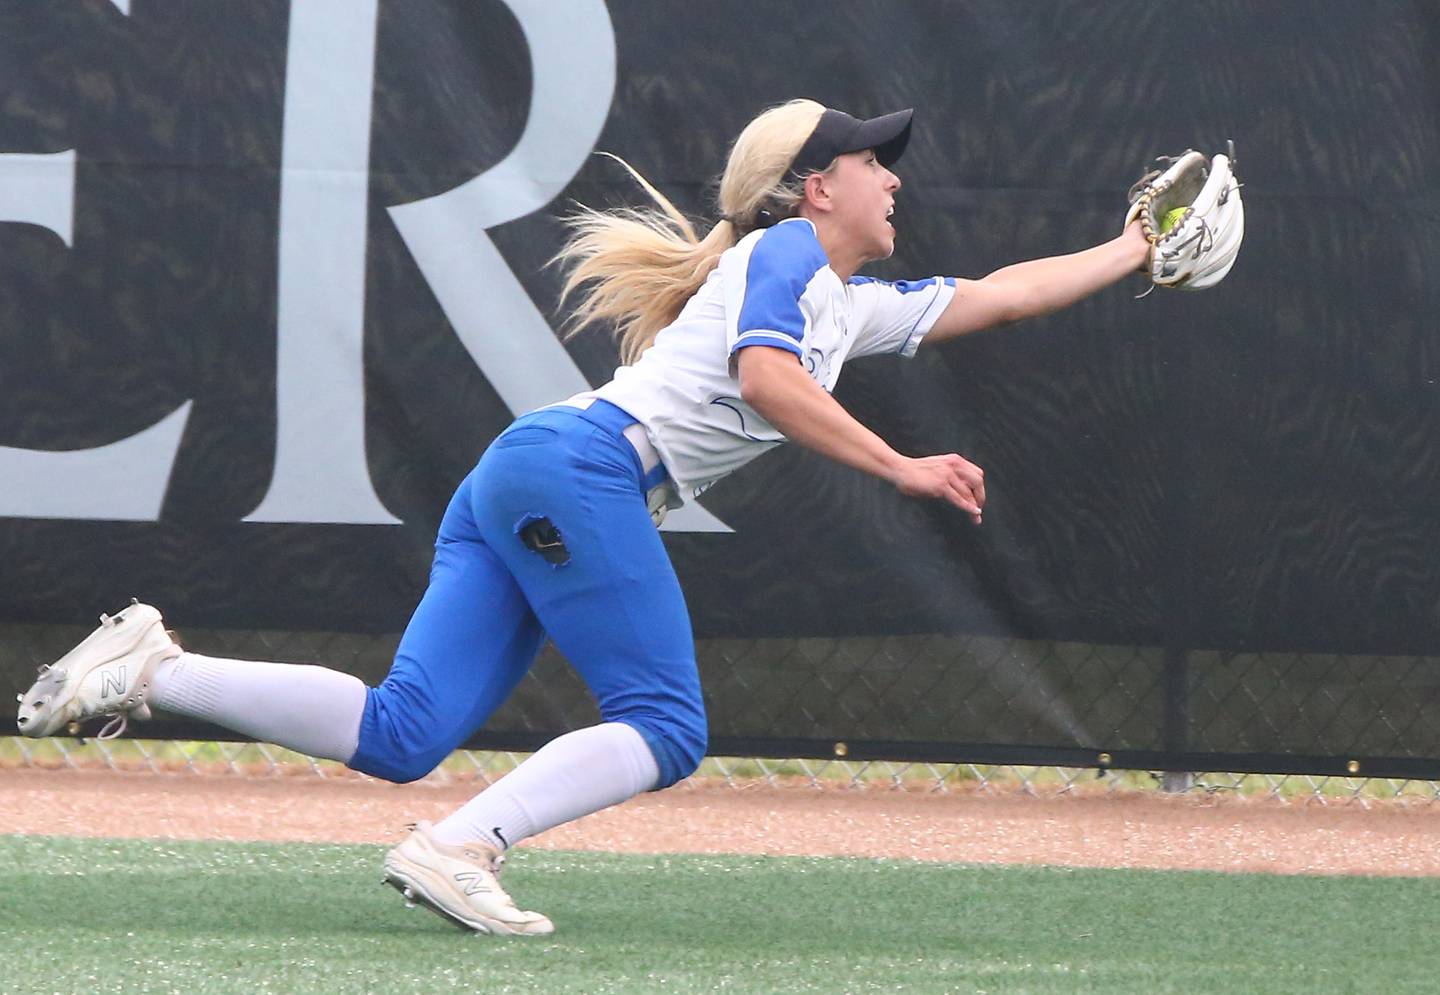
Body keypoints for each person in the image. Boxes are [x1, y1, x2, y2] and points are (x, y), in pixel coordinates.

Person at [15, 99, 1151, 935]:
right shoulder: (788, 256)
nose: (891, 177)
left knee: (407, 729)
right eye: (870, 159)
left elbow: (1004, 294)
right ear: (816, 187)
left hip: (535, 468)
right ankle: (462, 845)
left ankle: (155, 668)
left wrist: (1138, 245)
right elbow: (764, 377)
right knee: (666, 723)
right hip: (580, 471)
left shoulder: (845, 306)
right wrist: (899, 463)